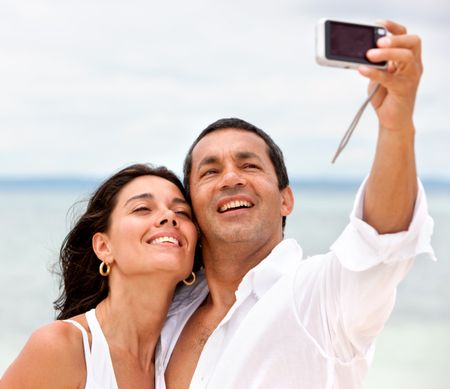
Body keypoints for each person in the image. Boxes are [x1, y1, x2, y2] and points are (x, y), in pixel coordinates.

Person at [158, 20, 436, 388]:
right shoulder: (170, 310)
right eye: (210, 172)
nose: (230, 178)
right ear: (191, 206)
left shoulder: (319, 299)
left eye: (249, 165)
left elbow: (380, 242)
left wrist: (397, 122)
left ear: (285, 199)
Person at [1, 164, 199, 389]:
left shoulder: (184, 362)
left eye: (182, 212)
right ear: (104, 247)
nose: (169, 216)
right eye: (143, 208)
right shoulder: (63, 347)